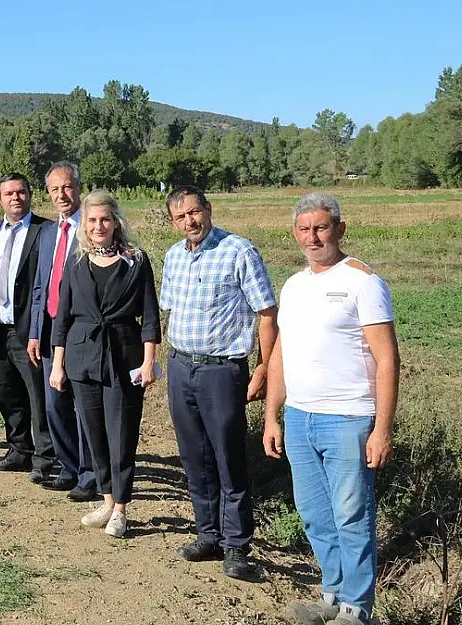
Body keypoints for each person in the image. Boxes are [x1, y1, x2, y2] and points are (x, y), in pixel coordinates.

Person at [263, 193, 400, 625]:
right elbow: (281, 354)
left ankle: (356, 609)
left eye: (321, 227)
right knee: (316, 515)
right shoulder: (295, 285)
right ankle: (332, 595)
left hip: (348, 419)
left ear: (340, 229)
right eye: (304, 229)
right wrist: (272, 414)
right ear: (295, 234)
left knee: (351, 514)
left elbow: (387, 359)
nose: (313, 237)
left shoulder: (363, 282)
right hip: (300, 416)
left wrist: (382, 428)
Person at [160, 185, 277, 579]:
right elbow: (169, 312)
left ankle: (237, 546)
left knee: (228, 458)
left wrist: (263, 368)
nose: (190, 221)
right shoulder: (174, 256)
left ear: (208, 209)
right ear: (173, 222)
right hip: (181, 367)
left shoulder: (238, 251)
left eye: (195, 212)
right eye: (181, 217)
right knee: (195, 457)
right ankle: (207, 534)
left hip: (221, 370)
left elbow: (266, 313)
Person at [49, 190, 161, 538]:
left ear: (116, 223)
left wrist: (149, 362)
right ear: (85, 225)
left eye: (105, 220)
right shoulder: (76, 264)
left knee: (122, 435)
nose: (99, 227)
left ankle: (123, 508)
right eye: (92, 221)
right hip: (83, 359)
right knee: (95, 434)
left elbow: (149, 317)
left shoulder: (136, 261)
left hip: (124, 358)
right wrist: (58, 364)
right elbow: (62, 319)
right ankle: (108, 501)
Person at [0, 173, 55, 482]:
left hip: (29, 332)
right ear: (0, 199)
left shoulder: (46, 231)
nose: (16, 198)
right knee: (7, 394)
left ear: (30, 195)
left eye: (21, 192)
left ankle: (45, 458)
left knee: (37, 396)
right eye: (9, 194)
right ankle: (18, 451)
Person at [27, 162, 98, 501]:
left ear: (79, 188)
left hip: (80, 331)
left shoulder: (93, 228)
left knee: (83, 407)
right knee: (55, 404)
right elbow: (41, 286)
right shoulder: (48, 233)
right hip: (50, 329)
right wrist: (34, 332)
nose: (61, 195)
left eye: (67, 187)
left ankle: (90, 474)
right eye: (55, 189)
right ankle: (69, 467)